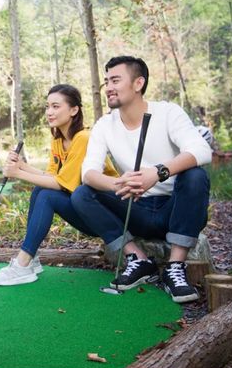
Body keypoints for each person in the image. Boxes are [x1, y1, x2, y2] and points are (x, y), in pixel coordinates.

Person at [71, 55, 213, 303]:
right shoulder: (105, 125)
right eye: (106, 81)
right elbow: (89, 173)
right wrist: (119, 183)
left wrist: (157, 173)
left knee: (195, 174)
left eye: (115, 80)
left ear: (138, 83)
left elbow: (202, 150)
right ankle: (138, 259)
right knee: (82, 193)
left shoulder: (168, 112)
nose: (109, 87)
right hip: (135, 208)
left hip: (175, 209)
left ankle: (175, 267)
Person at [0, 84, 117, 287]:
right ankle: (32, 258)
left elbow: (60, 184)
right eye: (47, 106)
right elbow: (51, 176)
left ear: (74, 110)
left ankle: (22, 264)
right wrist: (23, 166)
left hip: (105, 213)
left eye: (56, 106)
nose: (49, 112)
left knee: (47, 195)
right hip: (82, 209)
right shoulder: (58, 138)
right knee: (41, 190)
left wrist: (17, 173)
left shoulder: (83, 138)